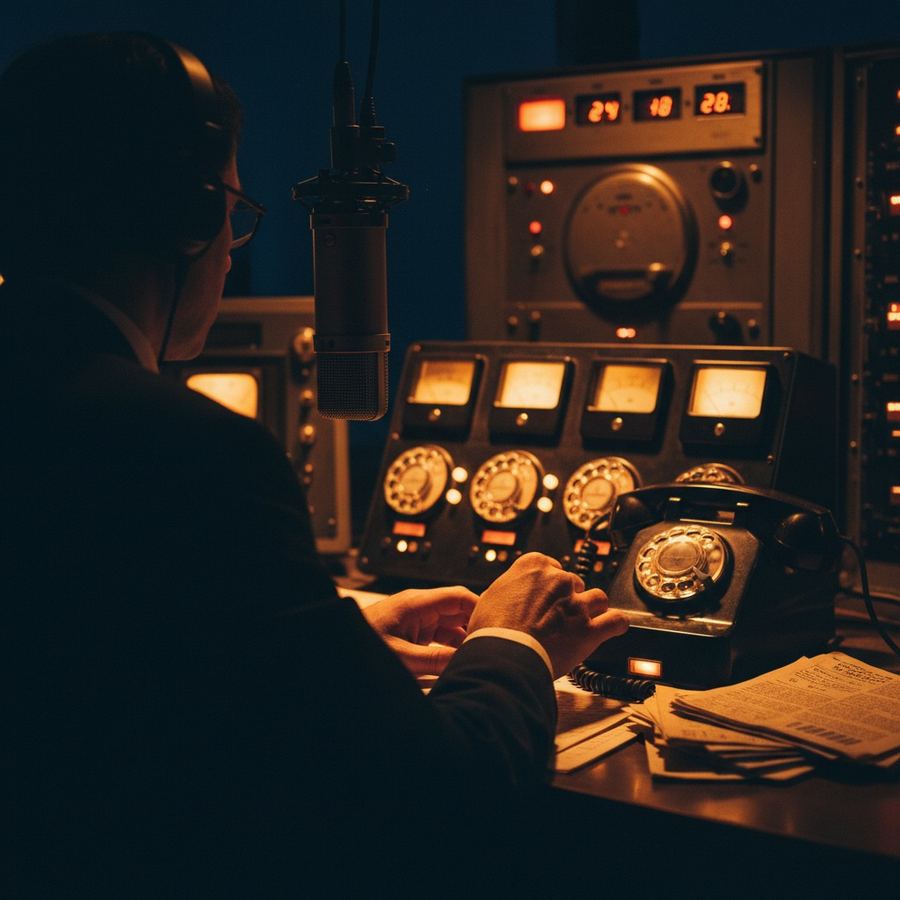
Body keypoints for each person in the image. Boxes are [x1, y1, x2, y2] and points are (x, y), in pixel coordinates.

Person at [2, 32, 628, 894]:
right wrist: (511, 641)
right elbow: (438, 801)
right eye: (230, 209)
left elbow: (115, 663)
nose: (230, 245)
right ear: (190, 219)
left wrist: (331, 644)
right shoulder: (193, 453)